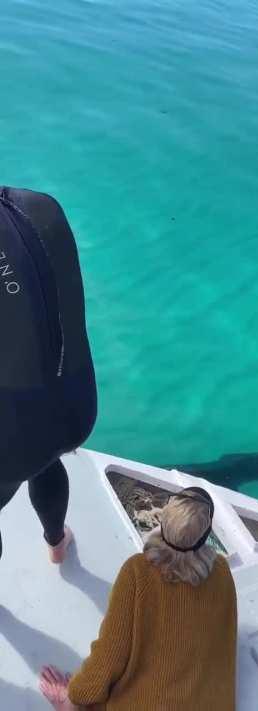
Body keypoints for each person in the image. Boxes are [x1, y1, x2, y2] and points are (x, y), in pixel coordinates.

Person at [39, 487, 238, 711]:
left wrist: (74, 697)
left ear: (164, 521)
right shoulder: (221, 571)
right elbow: (223, 639)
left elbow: (110, 654)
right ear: (205, 536)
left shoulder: (138, 571)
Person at [0, 187, 96, 563]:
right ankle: (57, 541)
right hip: (78, 406)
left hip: (15, 439)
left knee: (25, 450)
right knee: (45, 456)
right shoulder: (41, 204)